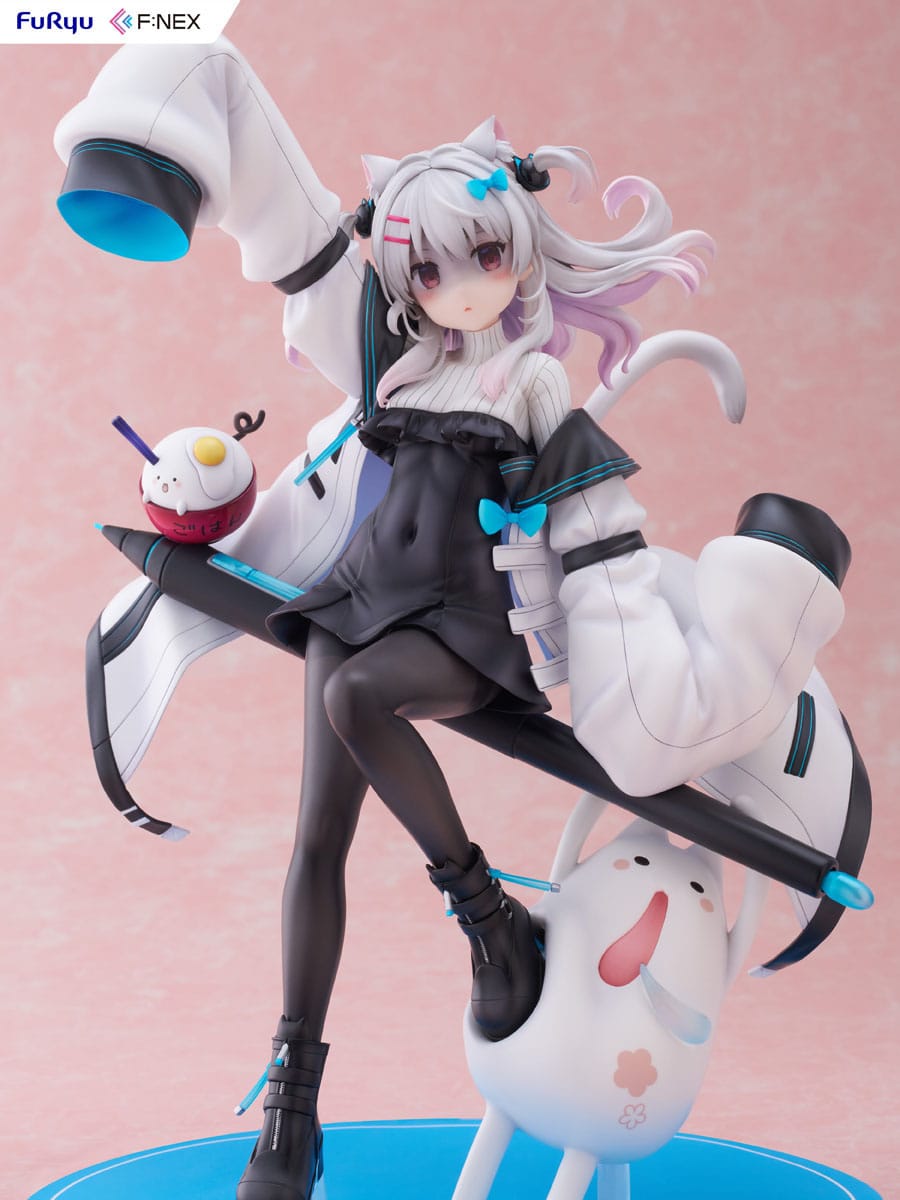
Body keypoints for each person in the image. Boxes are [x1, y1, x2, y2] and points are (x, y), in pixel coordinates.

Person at [54, 38, 856, 1200]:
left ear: (518, 251)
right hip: (357, 595)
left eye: (483, 255)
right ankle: (293, 1102)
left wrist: (630, 663)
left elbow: (594, 530)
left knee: (356, 694)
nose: (462, 284)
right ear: (406, 276)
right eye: (430, 268)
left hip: (461, 629)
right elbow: (305, 260)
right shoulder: (394, 365)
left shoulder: (531, 382)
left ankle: (487, 919)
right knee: (315, 840)